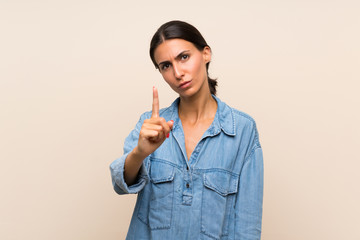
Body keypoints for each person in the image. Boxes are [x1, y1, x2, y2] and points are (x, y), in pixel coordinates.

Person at [110, 20, 264, 240]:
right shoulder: (151, 124)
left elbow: (248, 226)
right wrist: (140, 152)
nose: (178, 72)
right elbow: (119, 184)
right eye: (166, 66)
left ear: (206, 54)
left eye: (184, 57)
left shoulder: (242, 130)